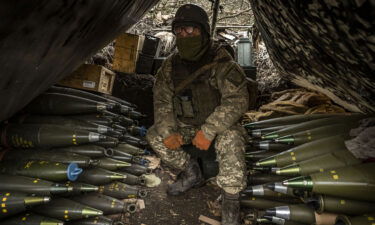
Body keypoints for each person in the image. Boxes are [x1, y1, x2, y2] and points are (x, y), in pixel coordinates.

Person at [146, 4, 251, 225]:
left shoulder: (222, 64)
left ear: (203, 31)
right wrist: (168, 131)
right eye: (179, 30)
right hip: (187, 125)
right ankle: (192, 171)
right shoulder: (170, 66)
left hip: (219, 128)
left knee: (232, 138)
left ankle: (231, 199)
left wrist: (209, 130)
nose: (184, 35)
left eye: (190, 30)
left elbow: (237, 101)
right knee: (155, 135)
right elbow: (162, 100)